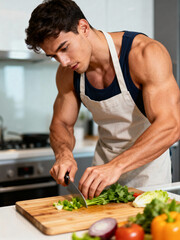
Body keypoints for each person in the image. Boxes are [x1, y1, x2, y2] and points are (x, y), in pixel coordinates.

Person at [25, 0, 180, 199]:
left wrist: (116, 166)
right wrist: (63, 153)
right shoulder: (67, 73)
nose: (63, 61)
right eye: (53, 55)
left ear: (83, 27)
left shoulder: (144, 54)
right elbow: (62, 123)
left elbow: (171, 125)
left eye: (64, 48)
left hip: (149, 176)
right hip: (101, 175)